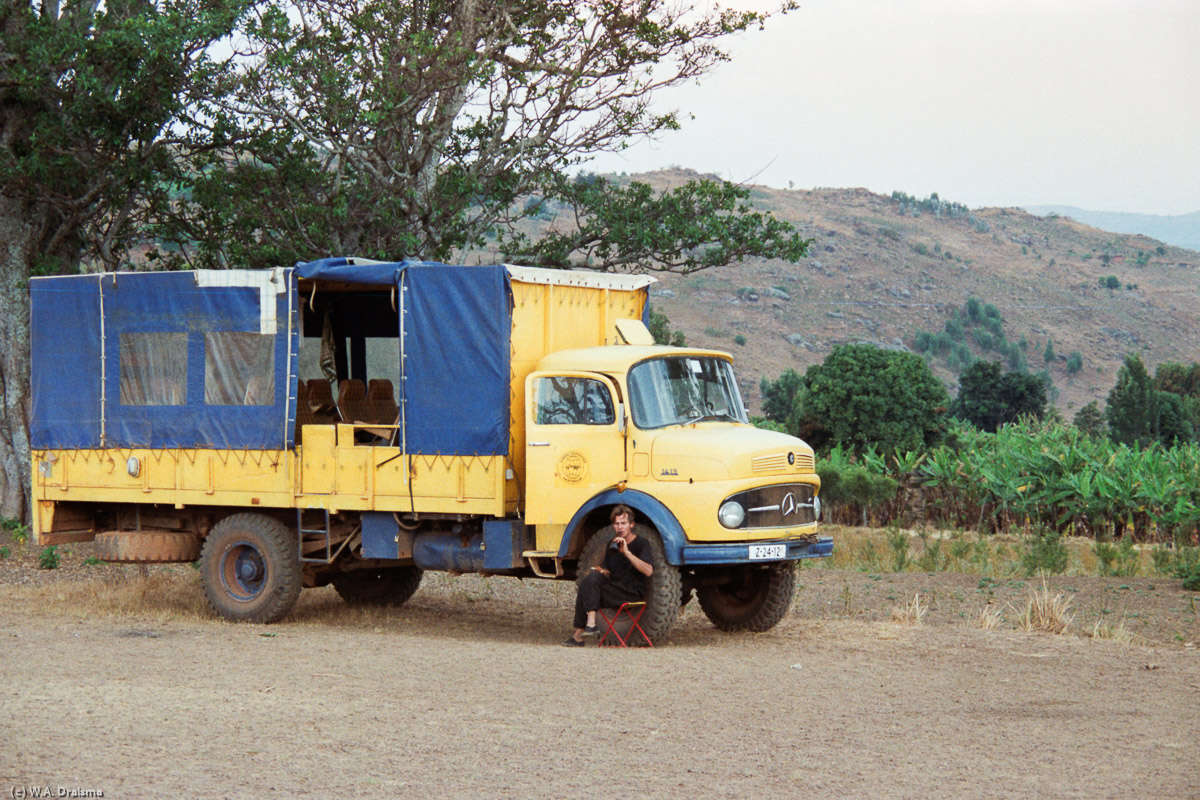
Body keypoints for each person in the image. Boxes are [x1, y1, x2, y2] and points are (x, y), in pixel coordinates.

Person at [563, 504, 653, 647]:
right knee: (589, 582)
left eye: (623, 523)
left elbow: (648, 570)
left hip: (631, 591)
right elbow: (611, 572)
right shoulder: (612, 545)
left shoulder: (641, 543)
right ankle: (588, 627)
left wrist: (627, 553)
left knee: (588, 590)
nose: (620, 527)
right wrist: (603, 571)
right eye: (617, 524)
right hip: (614, 588)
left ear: (631, 525)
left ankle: (581, 634)